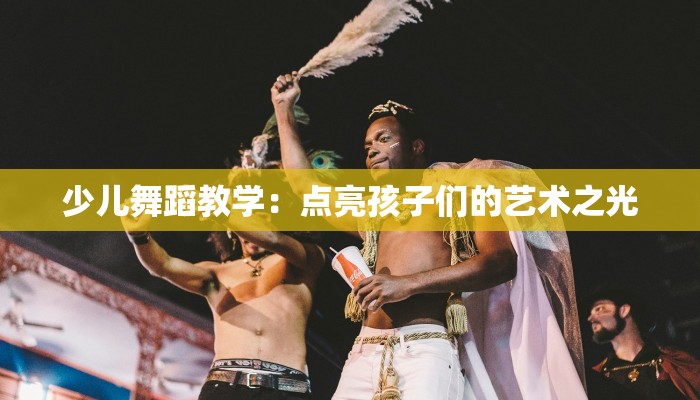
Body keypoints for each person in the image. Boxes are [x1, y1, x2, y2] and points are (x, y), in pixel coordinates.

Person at [271, 72, 586, 400]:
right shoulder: (373, 213)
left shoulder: (460, 194)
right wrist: (283, 109)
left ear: (416, 147)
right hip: (362, 353)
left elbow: (501, 262)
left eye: (383, 139)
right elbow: (306, 188)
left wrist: (407, 284)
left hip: (426, 353)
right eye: (367, 147)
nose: (372, 151)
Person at [121, 201, 325, 399]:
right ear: (231, 231)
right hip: (226, 385)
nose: (251, 226)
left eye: (258, 220)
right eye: (245, 218)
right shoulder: (216, 273)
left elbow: (273, 239)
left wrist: (219, 208)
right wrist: (138, 236)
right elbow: (163, 266)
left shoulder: (304, 259)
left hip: (288, 387)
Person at [587, 286, 700, 400]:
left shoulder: (676, 363)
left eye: (599, 309)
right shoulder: (598, 375)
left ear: (623, 310)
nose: (590, 318)